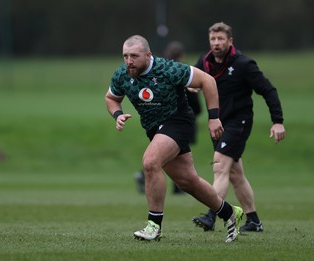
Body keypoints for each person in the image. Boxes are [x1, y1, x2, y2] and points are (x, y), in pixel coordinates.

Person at [105, 35, 243, 242]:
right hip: (155, 129)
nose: (129, 61)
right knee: (188, 182)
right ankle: (229, 213)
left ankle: (154, 226)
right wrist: (117, 114)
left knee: (150, 162)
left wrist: (214, 118)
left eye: (134, 55)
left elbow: (208, 80)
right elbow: (111, 98)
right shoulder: (122, 74)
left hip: (178, 123)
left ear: (148, 55)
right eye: (125, 56)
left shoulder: (169, 69)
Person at [192, 22, 286, 233]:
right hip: (216, 123)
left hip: (238, 122)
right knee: (235, 174)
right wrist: (191, 87)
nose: (216, 43)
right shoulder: (205, 62)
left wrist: (277, 120)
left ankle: (211, 215)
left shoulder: (243, 64)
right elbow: (193, 82)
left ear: (230, 41)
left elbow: (268, 90)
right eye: (213, 39)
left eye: (221, 39)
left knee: (219, 166)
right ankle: (254, 220)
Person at [134, 40, 201, 195]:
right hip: (181, 121)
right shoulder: (184, 73)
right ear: (181, 55)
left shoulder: (156, 70)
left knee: (167, 157)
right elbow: (196, 106)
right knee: (163, 157)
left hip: (156, 122)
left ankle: (170, 184)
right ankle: (173, 186)